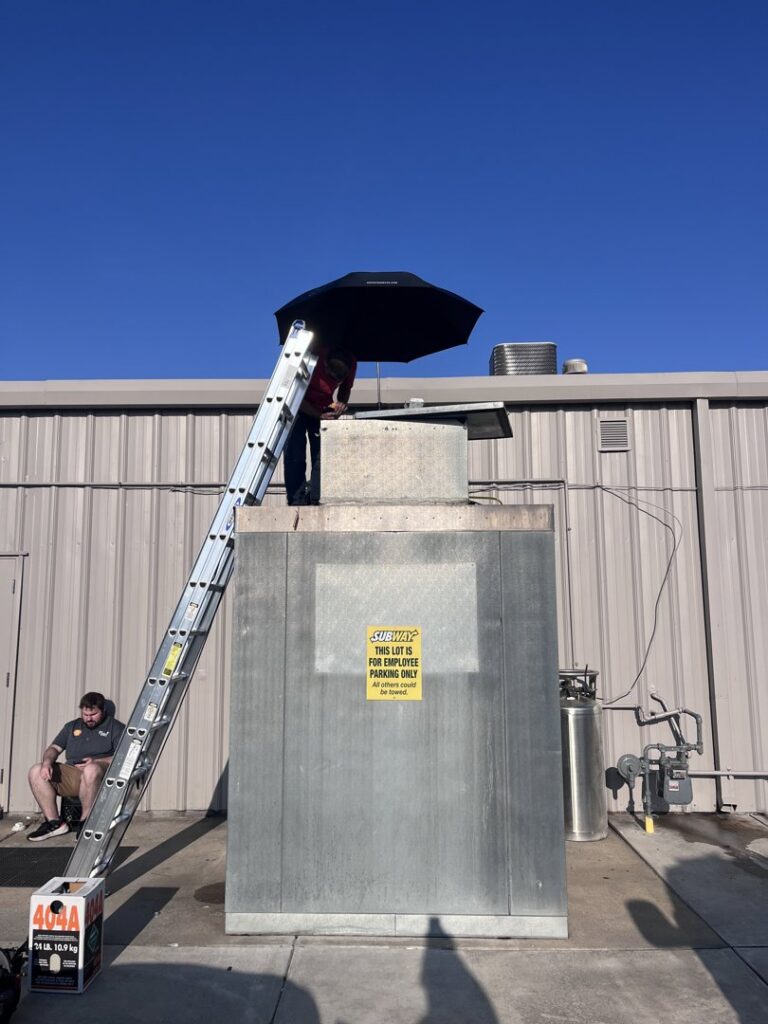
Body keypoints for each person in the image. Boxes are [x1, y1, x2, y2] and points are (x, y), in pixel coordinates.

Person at [27, 691, 125, 841]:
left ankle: (86, 823)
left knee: (91, 770)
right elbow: (54, 749)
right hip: (74, 773)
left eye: (93, 714)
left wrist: (97, 762)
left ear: (103, 710)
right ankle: (55, 823)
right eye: (85, 714)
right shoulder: (72, 727)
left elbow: (123, 756)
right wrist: (47, 763)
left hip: (100, 774)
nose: (88, 718)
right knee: (36, 770)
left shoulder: (115, 727)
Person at [283, 347, 357, 505]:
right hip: (298, 405)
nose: (332, 380)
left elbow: (345, 389)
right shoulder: (312, 355)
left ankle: (317, 498)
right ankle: (297, 501)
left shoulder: (352, 363)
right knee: (295, 453)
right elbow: (292, 394)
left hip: (322, 407)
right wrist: (318, 415)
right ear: (324, 364)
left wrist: (340, 405)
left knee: (321, 456)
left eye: (337, 377)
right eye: (331, 374)